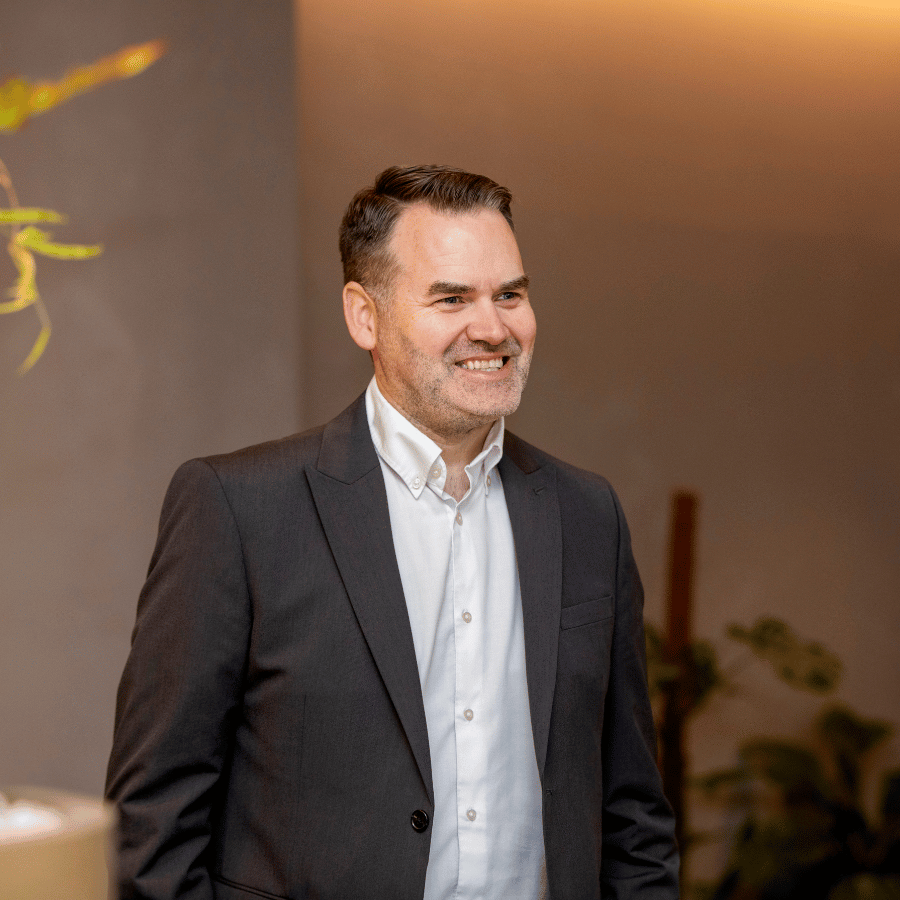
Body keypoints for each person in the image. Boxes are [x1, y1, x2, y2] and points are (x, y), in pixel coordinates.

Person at [106, 165, 680, 900]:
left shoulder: (587, 514)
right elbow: (150, 822)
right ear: (364, 316)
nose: (494, 327)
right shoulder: (238, 508)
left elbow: (633, 815)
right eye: (451, 298)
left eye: (511, 294)